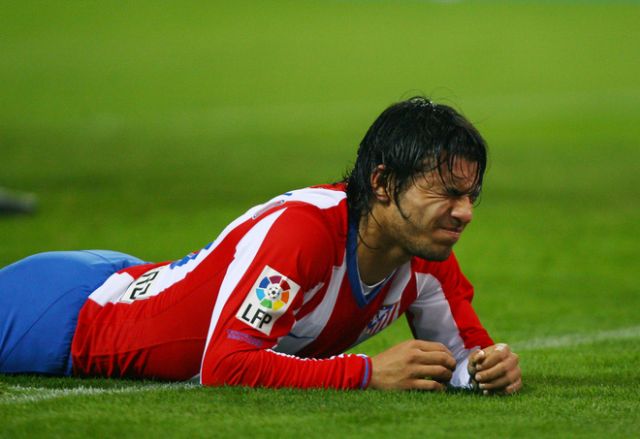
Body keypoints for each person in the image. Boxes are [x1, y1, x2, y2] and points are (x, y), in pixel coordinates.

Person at [0, 97, 521, 394]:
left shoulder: (426, 255)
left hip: (130, 282)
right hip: (64, 315)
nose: (464, 212)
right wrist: (367, 373)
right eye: (446, 193)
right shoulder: (304, 232)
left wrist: (488, 370)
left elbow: (467, 358)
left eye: (470, 195)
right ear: (383, 183)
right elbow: (226, 365)